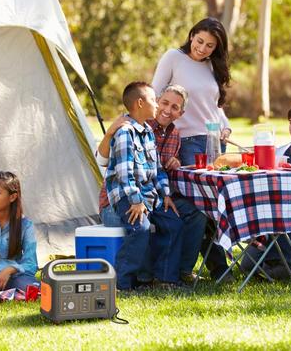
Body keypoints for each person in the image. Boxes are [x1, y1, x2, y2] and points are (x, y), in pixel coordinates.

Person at [96, 85, 207, 286]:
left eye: (174, 107)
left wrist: (165, 194)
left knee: (174, 222)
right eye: (159, 102)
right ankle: (124, 283)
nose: (161, 107)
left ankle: (166, 278)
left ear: (180, 113)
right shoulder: (124, 131)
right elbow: (123, 174)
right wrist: (136, 200)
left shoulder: (149, 132)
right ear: (141, 103)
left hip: (150, 195)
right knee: (141, 228)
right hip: (126, 197)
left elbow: (157, 169)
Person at [151, 17, 233, 281]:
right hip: (185, 142)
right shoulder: (173, 58)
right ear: (191, 35)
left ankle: (217, 266)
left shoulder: (212, 66)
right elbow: (155, 95)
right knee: (198, 203)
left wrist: (226, 127)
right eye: (200, 41)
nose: (203, 48)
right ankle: (202, 268)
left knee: (216, 205)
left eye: (210, 45)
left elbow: (215, 106)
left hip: (213, 142)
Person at [239, 101, 291, 280]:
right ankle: (266, 249)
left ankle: (281, 264)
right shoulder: (280, 152)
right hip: (271, 214)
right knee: (247, 266)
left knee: (287, 210)